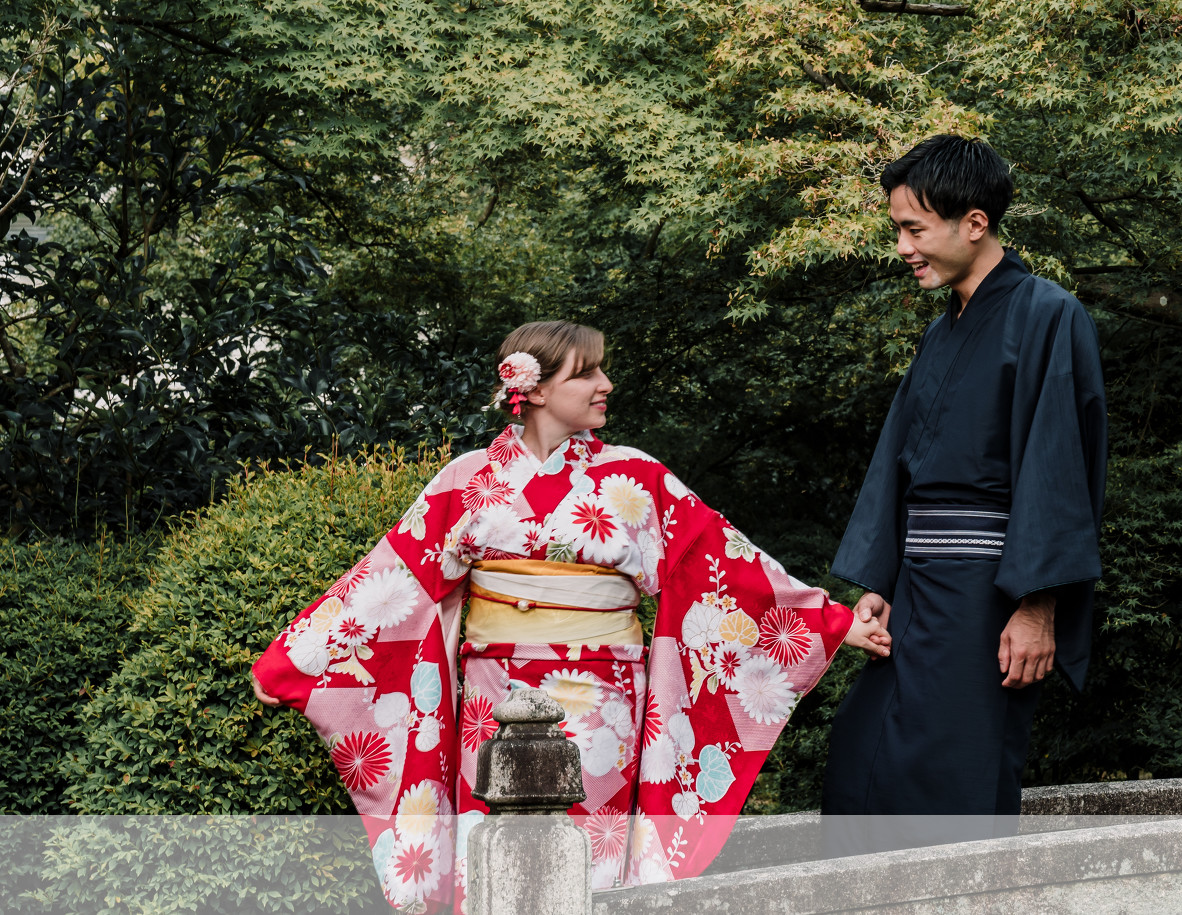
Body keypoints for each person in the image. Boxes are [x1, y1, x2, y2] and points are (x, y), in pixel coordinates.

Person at [253, 321, 888, 910]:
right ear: (531, 389)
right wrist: (296, 662)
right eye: (586, 374)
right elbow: (393, 581)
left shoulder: (636, 478)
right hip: (493, 698)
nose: (605, 384)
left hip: (602, 696)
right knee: (490, 842)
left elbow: (721, 565)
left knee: (590, 848)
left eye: (601, 370)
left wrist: (831, 623)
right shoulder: (468, 478)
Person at [820, 136, 1108, 852]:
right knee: (862, 753)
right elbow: (901, 463)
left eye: (914, 229)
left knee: (955, 772)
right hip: (918, 587)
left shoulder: (1048, 314)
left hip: (989, 595)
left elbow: (1058, 464)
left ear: (974, 223)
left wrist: (1037, 607)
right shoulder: (939, 333)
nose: (902, 247)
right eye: (898, 229)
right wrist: (881, 582)